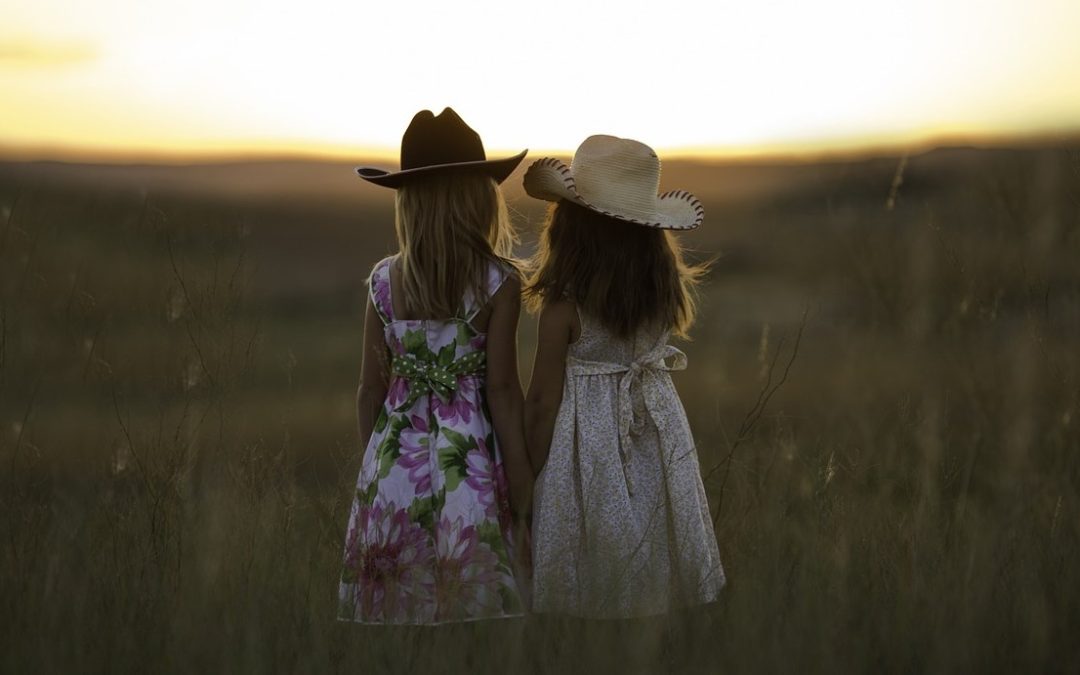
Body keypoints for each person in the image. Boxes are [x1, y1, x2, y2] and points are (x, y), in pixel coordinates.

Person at [338, 108, 533, 624]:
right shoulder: (498, 283)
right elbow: (505, 393)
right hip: (467, 468)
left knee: (400, 613)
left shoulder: (383, 282)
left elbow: (368, 391)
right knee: (471, 609)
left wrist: (373, 476)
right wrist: (523, 486)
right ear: (478, 199)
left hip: (391, 465)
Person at [522, 135, 725, 618]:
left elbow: (542, 403)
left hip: (586, 446)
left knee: (593, 545)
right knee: (657, 532)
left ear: (568, 228)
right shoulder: (659, 293)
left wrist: (524, 475)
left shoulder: (563, 309)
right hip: (657, 427)